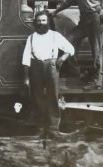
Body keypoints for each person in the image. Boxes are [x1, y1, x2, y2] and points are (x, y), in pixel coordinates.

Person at [22, 11, 76, 139]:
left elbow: (71, 49)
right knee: (38, 99)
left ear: (48, 22)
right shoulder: (31, 37)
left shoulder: (54, 35)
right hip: (36, 67)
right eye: (39, 21)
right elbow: (25, 58)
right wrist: (26, 78)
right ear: (36, 22)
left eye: (44, 20)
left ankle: (53, 129)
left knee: (52, 98)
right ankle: (40, 129)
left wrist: (63, 58)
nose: (41, 23)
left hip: (51, 67)